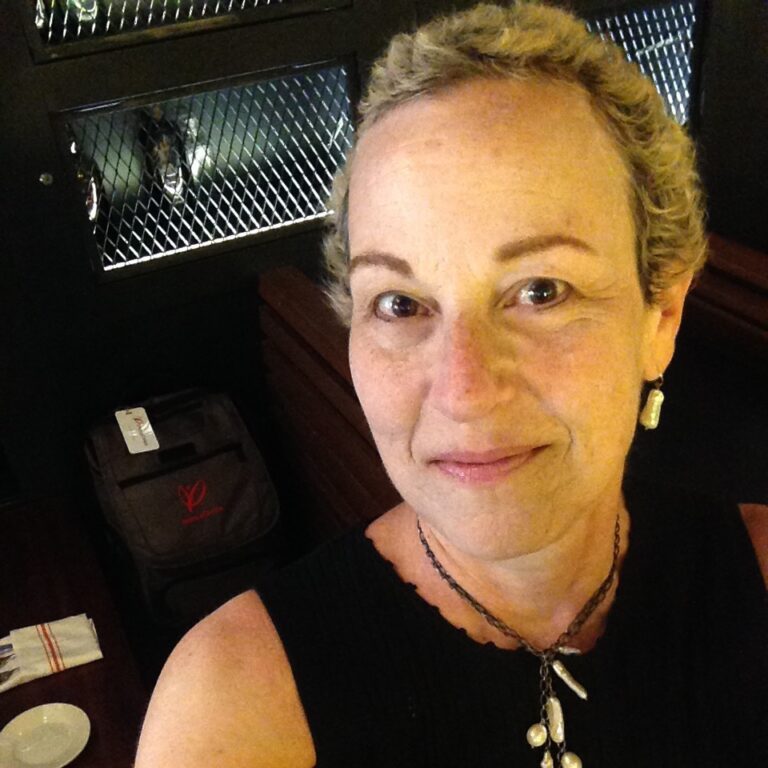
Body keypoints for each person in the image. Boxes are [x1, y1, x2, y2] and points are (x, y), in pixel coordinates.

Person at [135, 2, 768, 766]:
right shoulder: (237, 708)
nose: (463, 391)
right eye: (400, 304)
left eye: (541, 291)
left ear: (659, 317)